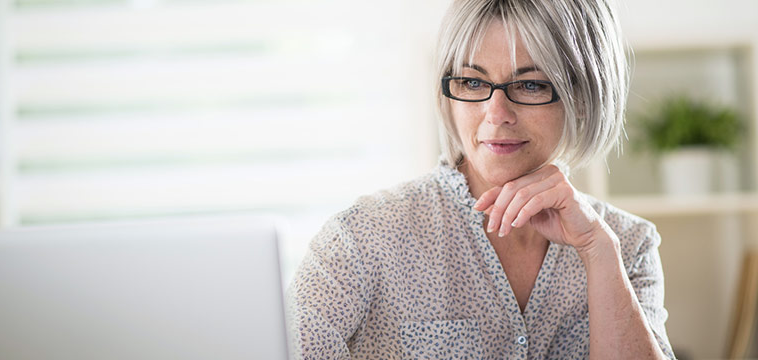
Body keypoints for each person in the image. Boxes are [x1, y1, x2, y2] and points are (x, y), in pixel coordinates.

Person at [286, 0, 676, 358]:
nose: (496, 113)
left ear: (582, 97)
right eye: (473, 82)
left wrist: (596, 250)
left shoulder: (626, 246)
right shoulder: (362, 239)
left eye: (530, 84)